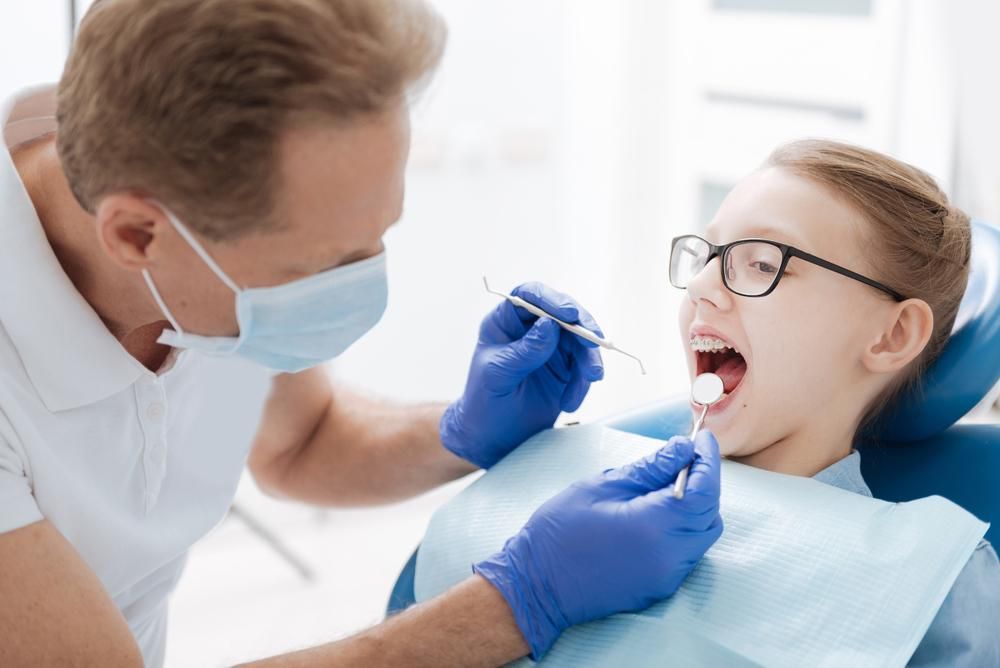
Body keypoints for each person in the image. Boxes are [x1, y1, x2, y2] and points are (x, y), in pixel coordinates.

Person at [0, 1, 723, 666]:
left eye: (378, 236)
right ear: (136, 234)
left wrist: (462, 432)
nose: (365, 281)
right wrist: (523, 598)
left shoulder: (197, 258)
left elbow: (302, 442)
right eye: (325, 264)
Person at [667, 139, 1000, 665]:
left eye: (761, 263)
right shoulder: (591, 480)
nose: (702, 287)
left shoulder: (933, 589)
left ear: (892, 335)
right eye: (708, 255)